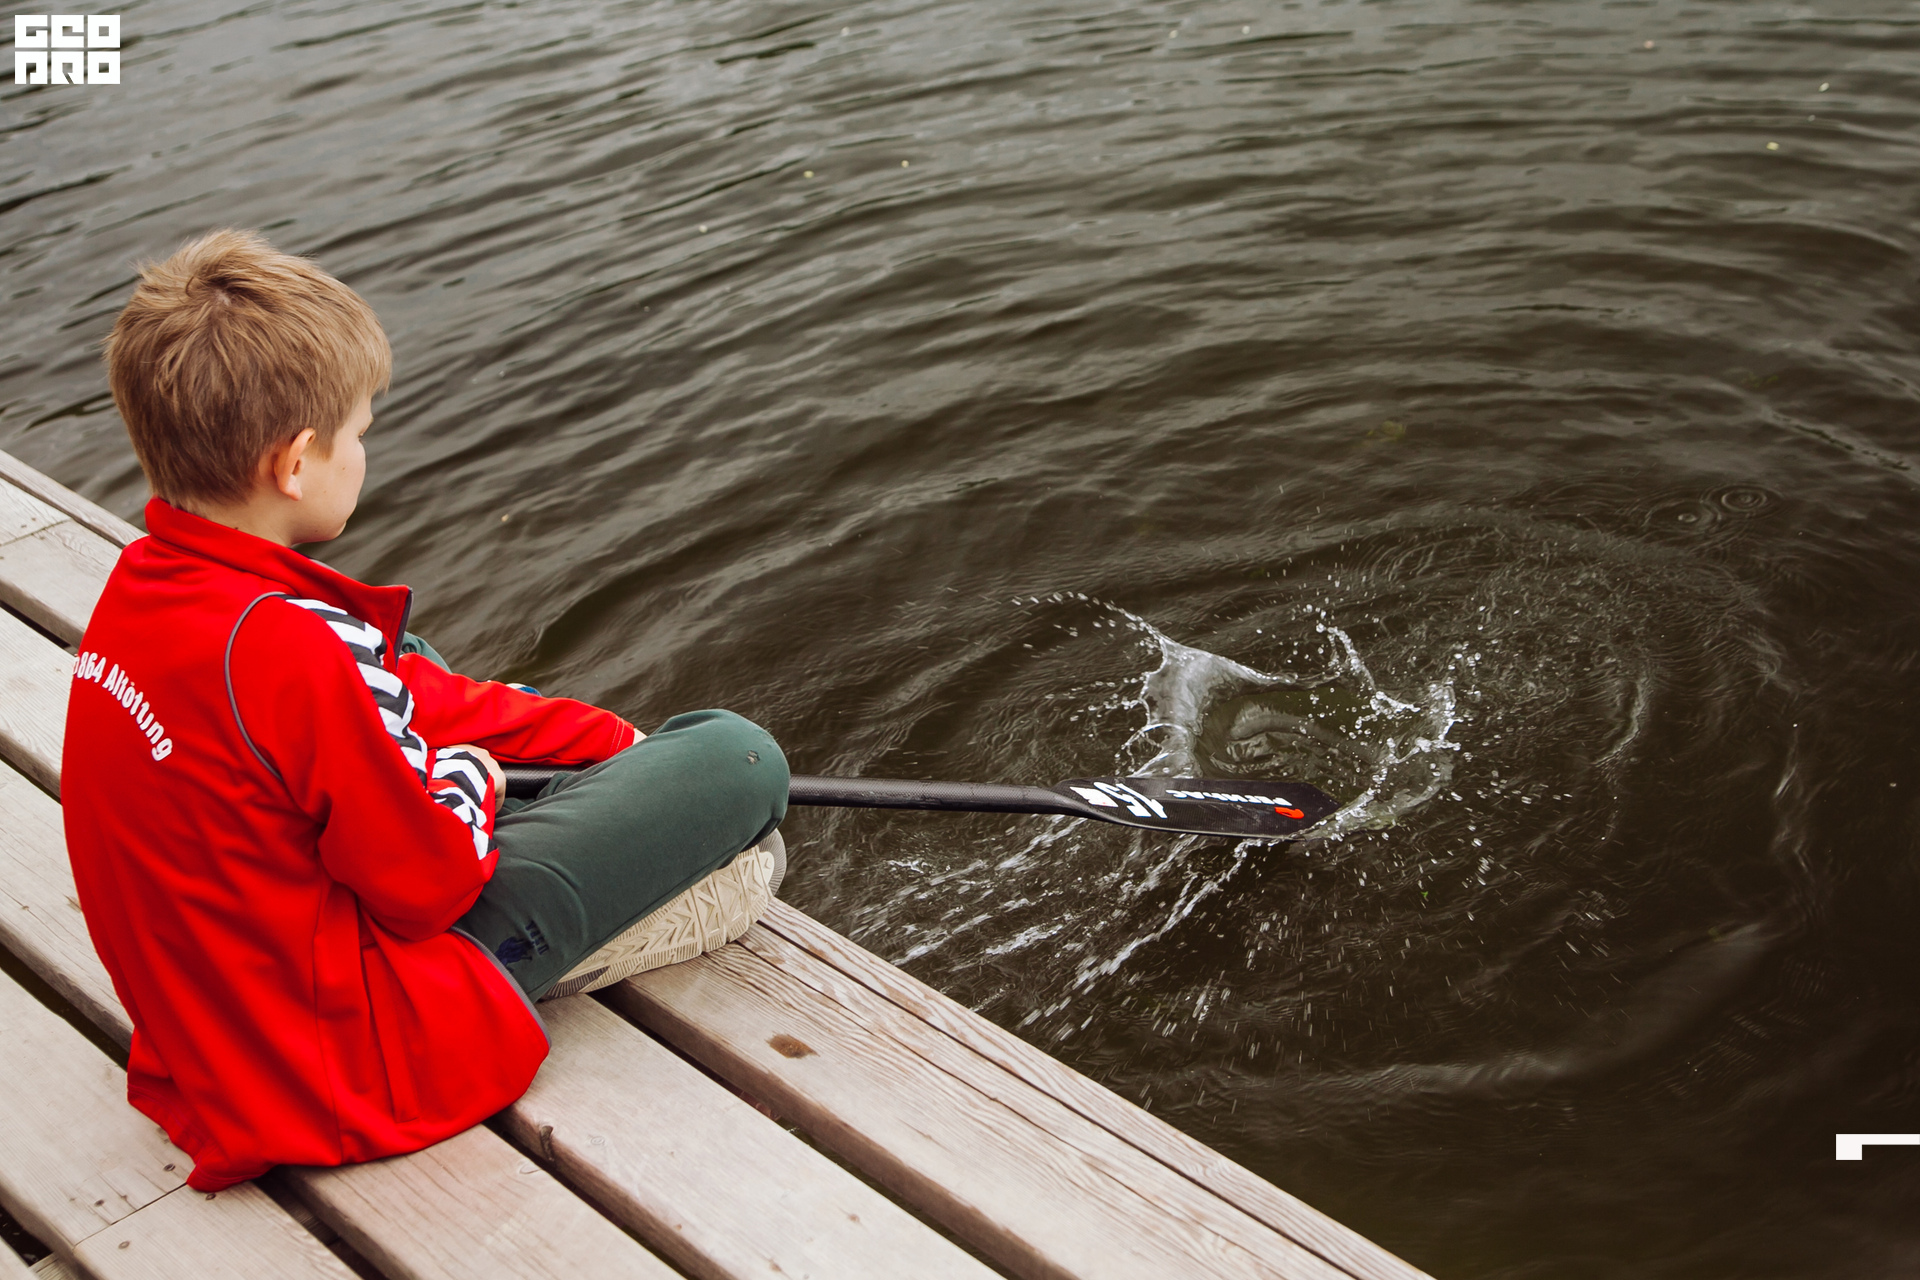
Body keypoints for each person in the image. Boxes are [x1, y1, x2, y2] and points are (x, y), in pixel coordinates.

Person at [62, 228, 789, 1192]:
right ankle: (606, 890)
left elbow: (393, 692)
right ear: (295, 464)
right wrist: (474, 778)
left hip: (227, 1018)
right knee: (737, 758)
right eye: (358, 434)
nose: (364, 454)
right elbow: (430, 884)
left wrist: (607, 747)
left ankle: (595, 787)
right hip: (352, 1053)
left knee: (409, 664)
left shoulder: (147, 591)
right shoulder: (295, 651)